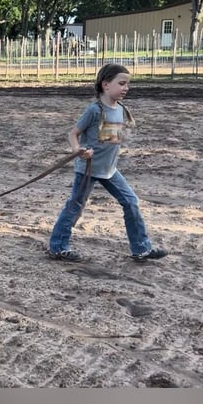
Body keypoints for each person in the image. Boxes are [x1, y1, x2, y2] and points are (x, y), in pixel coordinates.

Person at [48, 63, 167, 262]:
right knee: (74, 207)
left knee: (131, 202)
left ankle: (141, 248)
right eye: (122, 84)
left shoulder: (120, 109)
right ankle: (58, 247)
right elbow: (73, 134)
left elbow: (113, 137)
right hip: (88, 170)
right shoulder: (94, 110)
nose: (126, 88)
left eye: (127, 84)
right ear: (105, 84)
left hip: (110, 170)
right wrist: (78, 150)